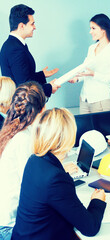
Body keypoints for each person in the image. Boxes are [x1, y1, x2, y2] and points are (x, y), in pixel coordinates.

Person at [11, 108, 106, 240]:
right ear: (67, 137)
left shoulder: (34, 160)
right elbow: (90, 228)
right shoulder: (55, 178)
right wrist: (97, 201)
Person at [0, 81, 46, 240]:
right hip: (9, 226)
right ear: (42, 110)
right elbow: (32, 189)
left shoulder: (12, 130)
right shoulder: (23, 140)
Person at [0, 4, 60, 98]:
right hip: (21, 108)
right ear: (21, 26)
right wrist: (49, 88)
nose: (34, 27)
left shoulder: (13, 44)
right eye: (32, 24)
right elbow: (24, 87)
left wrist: (42, 75)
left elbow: (23, 77)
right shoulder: (15, 49)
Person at [69, 13, 110, 113]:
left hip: (101, 100)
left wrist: (94, 74)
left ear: (103, 29)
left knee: (100, 129)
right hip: (84, 99)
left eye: (93, 28)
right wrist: (76, 79)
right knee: (85, 129)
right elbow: (86, 71)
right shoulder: (91, 48)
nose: (90, 32)